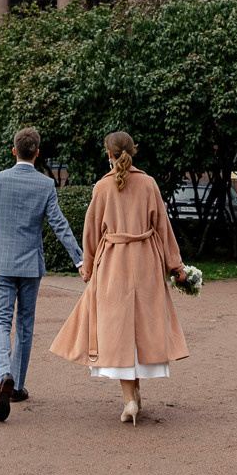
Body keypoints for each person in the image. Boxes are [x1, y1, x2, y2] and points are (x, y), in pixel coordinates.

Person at [50, 130, 188, 426]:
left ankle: (129, 400)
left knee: (117, 332)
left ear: (108, 154)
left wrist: (87, 266)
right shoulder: (149, 184)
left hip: (113, 263)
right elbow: (163, 228)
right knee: (140, 329)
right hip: (146, 263)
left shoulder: (102, 187)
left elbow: (90, 232)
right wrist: (175, 265)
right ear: (132, 152)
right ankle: (135, 396)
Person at [0, 126, 83, 424]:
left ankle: (4, 375)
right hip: (30, 266)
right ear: (37, 153)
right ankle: (18, 385)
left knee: (1, 322)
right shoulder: (46, 185)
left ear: (14, 150)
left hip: (0, 261)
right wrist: (79, 259)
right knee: (25, 324)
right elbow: (59, 224)